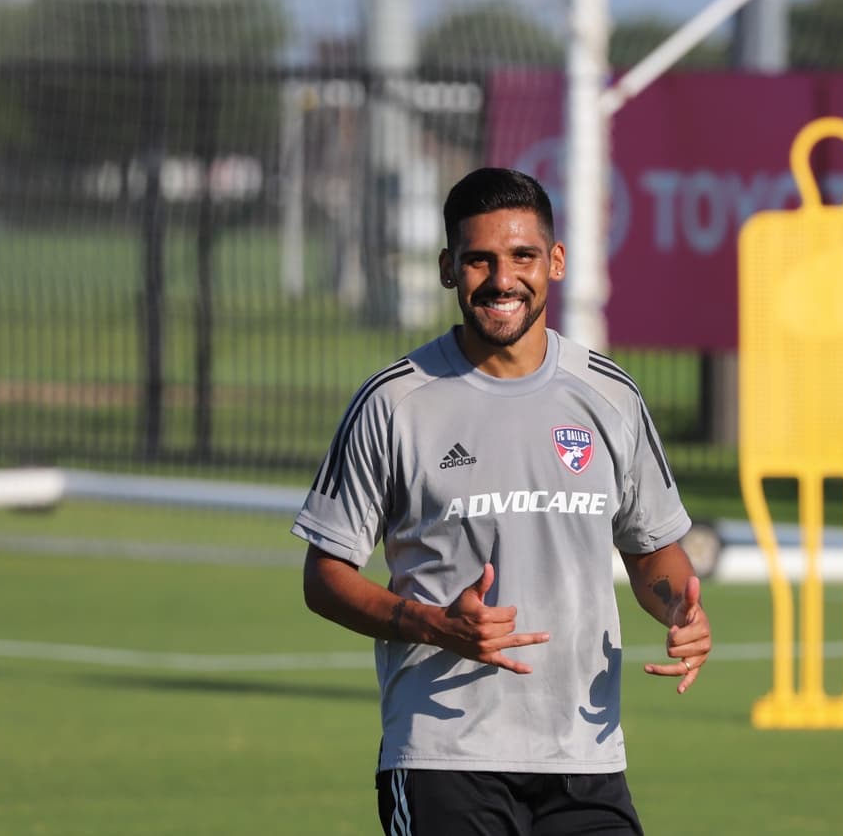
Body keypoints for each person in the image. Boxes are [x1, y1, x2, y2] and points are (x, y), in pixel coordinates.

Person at [292, 167, 712, 835]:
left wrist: (680, 608)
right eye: (479, 259)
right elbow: (324, 576)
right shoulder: (393, 403)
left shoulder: (610, 396)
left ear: (556, 261)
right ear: (447, 268)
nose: (502, 278)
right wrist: (430, 623)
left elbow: (652, 550)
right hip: (442, 756)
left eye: (522, 256)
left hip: (585, 756)